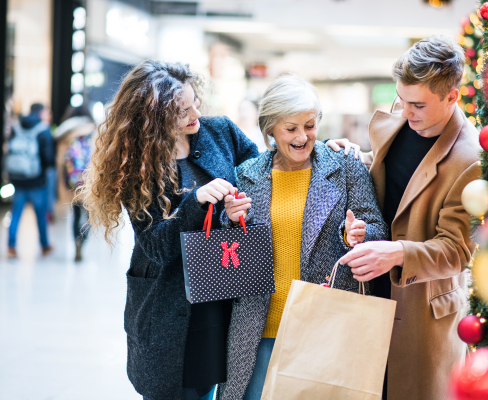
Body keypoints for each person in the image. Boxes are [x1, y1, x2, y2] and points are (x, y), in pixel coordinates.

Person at [78, 61, 361, 400]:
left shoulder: (219, 132)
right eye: (182, 110)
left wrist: (320, 150)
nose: (196, 112)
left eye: (195, 101)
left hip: (223, 297)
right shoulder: (137, 166)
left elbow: (267, 170)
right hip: (168, 308)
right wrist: (195, 203)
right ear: (156, 117)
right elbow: (155, 247)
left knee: (220, 386)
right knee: (176, 391)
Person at [217, 74, 388, 400]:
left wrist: (359, 234)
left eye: (309, 125)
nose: (302, 136)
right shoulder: (247, 175)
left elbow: (376, 228)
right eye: (290, 128)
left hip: (324, 327)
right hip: (258, 330)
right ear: (270, 129)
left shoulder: (345, 168)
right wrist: (231, 219)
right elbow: (230, 256)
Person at [339, 35, 481, 400]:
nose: (405, 112)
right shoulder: (399, 120)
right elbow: (385, 181)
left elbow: (457, 251)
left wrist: (398, 252)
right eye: (400, 100)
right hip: (369, 292)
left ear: (452, 95)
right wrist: (356, 159)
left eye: (417, 104)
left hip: (422, 315)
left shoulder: (471, 160)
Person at [6, 103, 55, 258]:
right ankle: (45, 245)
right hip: (36, 180)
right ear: (40, 112)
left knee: (15, 214)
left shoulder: (17, 126)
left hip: (17, 179)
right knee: (40, 215)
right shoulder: (43, 129)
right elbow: (48, 157)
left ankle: (11, 246)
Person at [55, 104, 96, 261]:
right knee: (90, 215)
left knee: (76, 213)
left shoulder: (66, 133)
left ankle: (76, 243)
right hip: (90, 182)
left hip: (72, 182)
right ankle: (83, 240)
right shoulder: (93, 131)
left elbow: (60, 160)